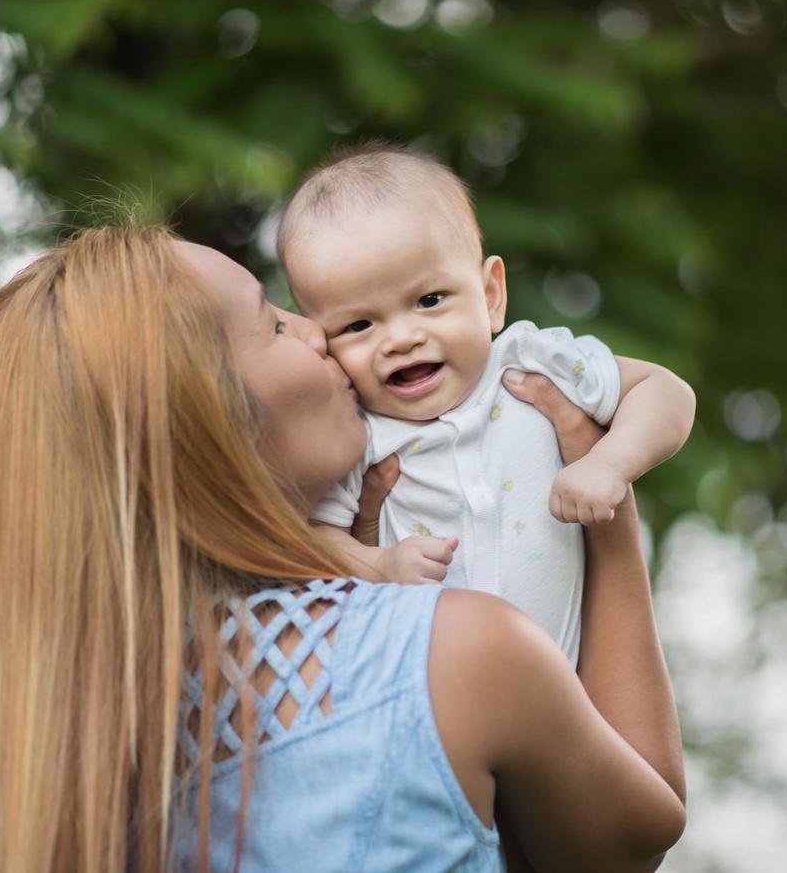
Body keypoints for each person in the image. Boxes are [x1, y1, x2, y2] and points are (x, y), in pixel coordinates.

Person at [0, 223, 685, 872]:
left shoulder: (61, 752)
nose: (316, 332)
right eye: (271, 325)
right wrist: (603, 518)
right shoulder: (452, 652)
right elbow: (637, 835)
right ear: (205, 428)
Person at [281, 144, 696, 665]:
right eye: (359, 325)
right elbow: (314, 539)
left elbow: (664, 391)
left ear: (491, 294)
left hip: (566, 698)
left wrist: (609, 464)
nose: (402, 338)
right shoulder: (357, 437)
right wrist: (379, 565)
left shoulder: (533, 363)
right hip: (444, 709)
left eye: (429, 300)